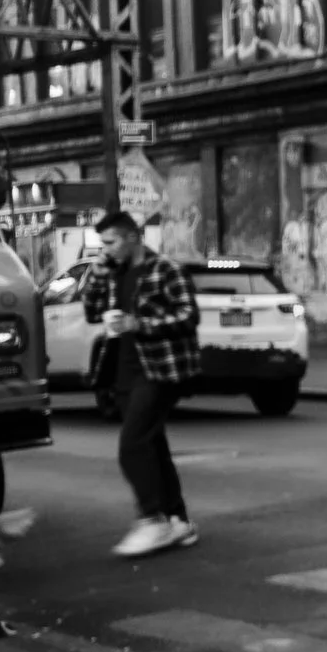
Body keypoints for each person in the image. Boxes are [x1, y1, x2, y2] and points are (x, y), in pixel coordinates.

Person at [80, 210, 202, 558]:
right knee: (153, 445)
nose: (106, 249)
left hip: (160, 370)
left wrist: (139, 324)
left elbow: (188, 316)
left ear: (132, 237)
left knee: (132, 445)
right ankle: (178, 519)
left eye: (111, 242)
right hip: (123, 373)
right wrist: (97, 273)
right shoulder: (112, 273)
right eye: (102, 244)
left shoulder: (166, 269)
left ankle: (152, 519)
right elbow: (91, 311)